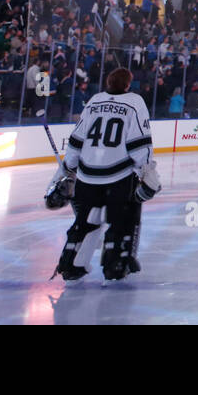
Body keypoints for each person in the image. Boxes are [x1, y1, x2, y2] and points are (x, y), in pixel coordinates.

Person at [52, 68, 156, 282]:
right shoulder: (135, 102)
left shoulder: (94, 100)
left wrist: (68, 167)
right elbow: (139, 142)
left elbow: (77, 137)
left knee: (86, 219)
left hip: (87, 173)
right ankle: (115, 265)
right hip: (119, 173)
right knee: (122, 220)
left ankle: (72, 263)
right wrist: (146, 170)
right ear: (128, 84)